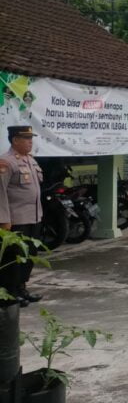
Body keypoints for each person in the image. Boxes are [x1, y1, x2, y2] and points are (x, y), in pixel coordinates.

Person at [0, 126, 44, 306]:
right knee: (13, 257)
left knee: (29, 255)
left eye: (31, 138)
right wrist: (4, 219)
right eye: (26, 138)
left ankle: (21, 289)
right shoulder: (6, 162)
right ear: (15, 140)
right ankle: (9, 293)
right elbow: (0, 192)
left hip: (33, 217)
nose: (30, 141)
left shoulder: (31, 161)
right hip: (15, 220)